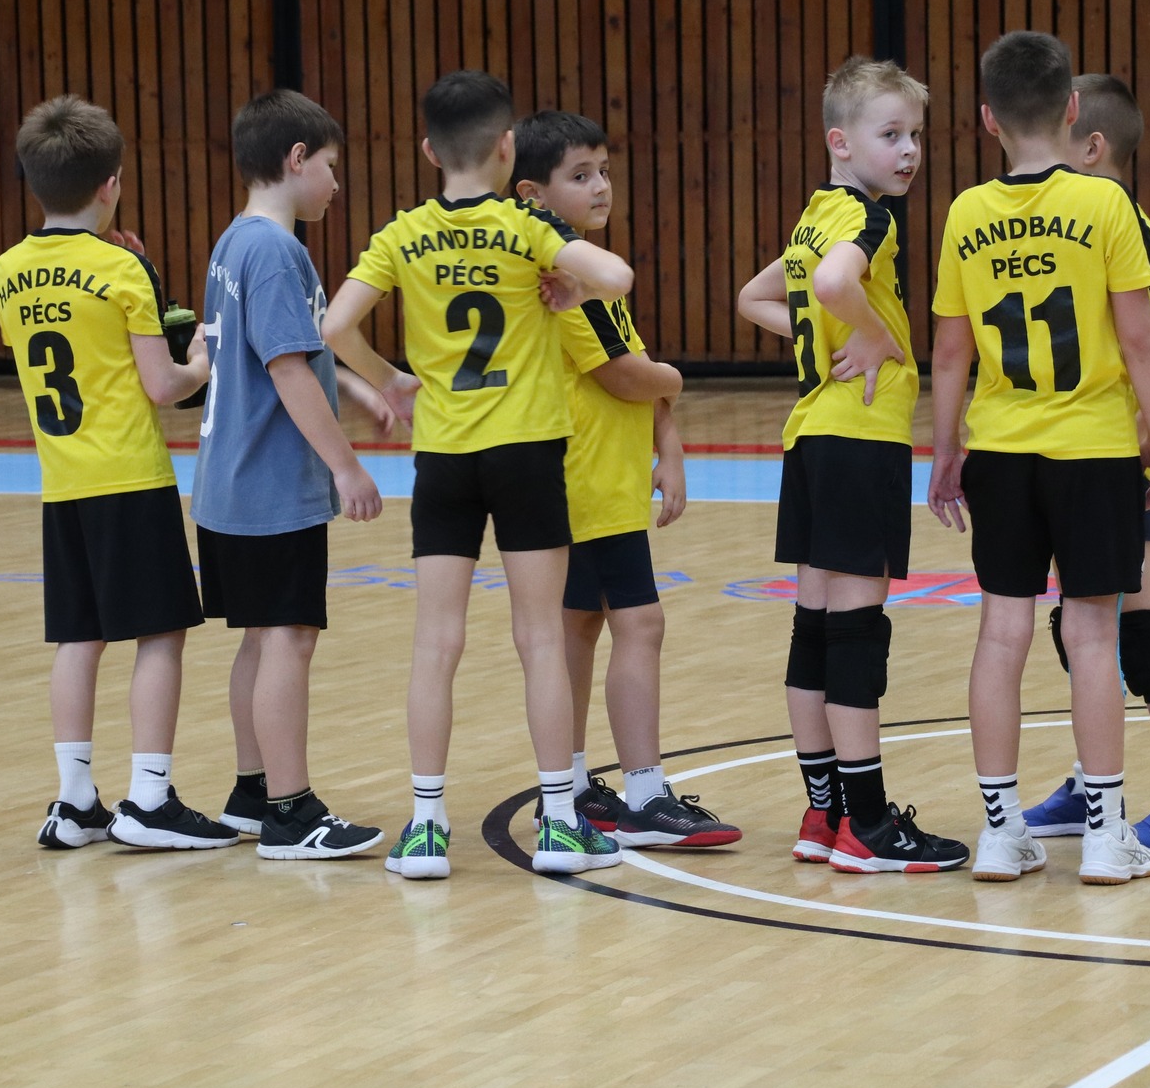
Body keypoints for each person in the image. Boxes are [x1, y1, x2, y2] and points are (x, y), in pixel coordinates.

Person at [321, 70, 634, 880]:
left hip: (446, 456)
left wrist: (389, 378)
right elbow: (617, 278)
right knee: (540, 638)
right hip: (527, 452)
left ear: (429, 151)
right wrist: (569, 287)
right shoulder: (524, 226)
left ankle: (426, 825)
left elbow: (335, 325)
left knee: (436, 641)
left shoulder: (402, 233)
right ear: (506, 147)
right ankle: (559, 821)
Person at [925, 31, 1150, 887]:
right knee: (1093, 631)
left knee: (1002, 632)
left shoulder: (966, 213)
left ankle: (1001, 833)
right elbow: (1141, 337)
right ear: (1072, 108)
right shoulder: (1105, 205)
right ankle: (1105, 835)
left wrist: (945, 449)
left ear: (987, 118)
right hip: (1093, 448)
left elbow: (950, 351)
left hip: (1000, 447)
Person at [736, 56, 967, 875]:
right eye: (890, 134)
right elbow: (837, 283)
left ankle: (824, 811)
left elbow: (754, 298)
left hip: (809, 435)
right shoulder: (867, 219)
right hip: (861, 436)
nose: (909, 151)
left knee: (816, 627)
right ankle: (868, 823)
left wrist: (836, 328)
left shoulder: (813, 216)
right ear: (841, 141)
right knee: (858, 632)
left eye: (915, 136)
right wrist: (873, 336)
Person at [0, 94, 237, 853]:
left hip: (62, 481)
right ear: (111, 185)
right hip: (129, 476)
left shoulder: (9, 270)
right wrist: (202, 356)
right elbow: (163, 386)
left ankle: (75, 801)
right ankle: (150, 799)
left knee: (79, 636)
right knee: (161, 633)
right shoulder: (120, 268)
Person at [508, 110, 740, 850]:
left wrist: (667, 442)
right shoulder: (566, 273)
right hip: (589, 485)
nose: (601, 186)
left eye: (604, 170)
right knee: (640, 624)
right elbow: (628, 373)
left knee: (580, 627)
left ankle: (577, 787)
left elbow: (634, 376)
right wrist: (678, 378)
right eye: (580, 175)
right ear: (532, 193)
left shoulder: (584, 270)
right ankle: (644, 795)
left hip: (586, 481)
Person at [1018, 72, 1150, 858]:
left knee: (1132, 628)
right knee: (1086, 626)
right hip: (1079, 454)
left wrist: (1145, 429)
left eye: (1055, 135)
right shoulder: (1078, 223)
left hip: (1119, 463)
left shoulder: (1126, 224)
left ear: (1091, 147)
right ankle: (1092, 781)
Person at [189, 88, 389, 861]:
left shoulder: (235, 242)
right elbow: (285, 367)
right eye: (332, 166)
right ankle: (290, 810)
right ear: (297, 158)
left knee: (260, 637)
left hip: (226, 482)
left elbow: (283, 350)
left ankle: (253, 788)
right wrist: (346, 466)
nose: (336, 184)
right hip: (272, 486)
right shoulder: (278, 251)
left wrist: (361, 388)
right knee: (289, 639)